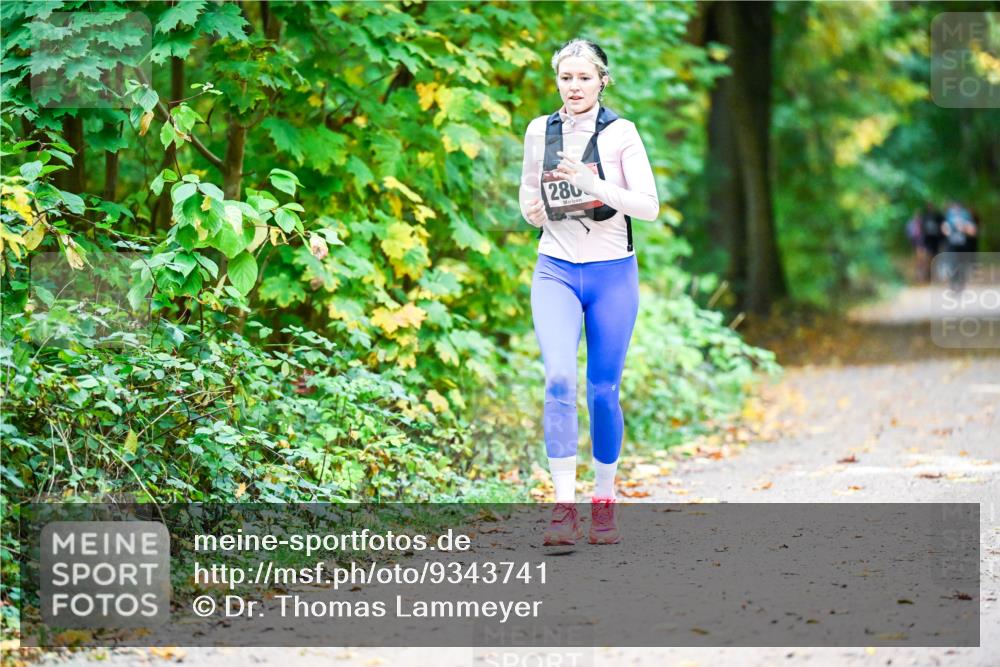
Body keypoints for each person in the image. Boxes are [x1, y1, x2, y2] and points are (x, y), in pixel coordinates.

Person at [519, 38, 658, 546]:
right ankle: (563, 509)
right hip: (555, 269)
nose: (574, 87)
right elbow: (528, 197)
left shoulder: (621, 133)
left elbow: (648, 207)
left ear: (602, 81)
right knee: (558, 379)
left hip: (611, 274)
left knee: (603, 390)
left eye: (584, 78)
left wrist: (591, 183)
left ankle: (603, 500)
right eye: (566, 78)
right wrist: (533, 211)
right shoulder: (540, 130)